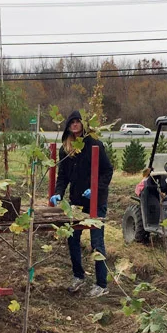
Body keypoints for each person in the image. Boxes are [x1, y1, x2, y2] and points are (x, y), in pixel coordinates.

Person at [50, 110, 114, 297]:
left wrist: (96, 189)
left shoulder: (95, 144)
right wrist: (58, 194)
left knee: (96, 242)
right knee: (73, 239)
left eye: (78, 122)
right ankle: (78, 276)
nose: (75, 125)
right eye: (72, 122)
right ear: (68, 126)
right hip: (76, 203)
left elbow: (107, 171)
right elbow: (62, 177)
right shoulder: (66, 149)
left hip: (96, 201)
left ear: (83, 125)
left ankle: (102, 284)